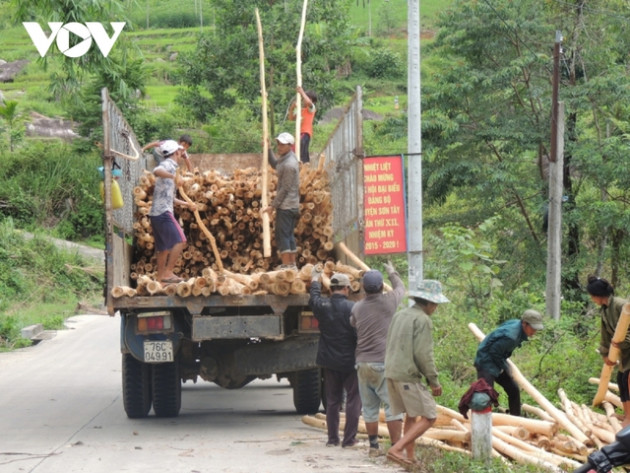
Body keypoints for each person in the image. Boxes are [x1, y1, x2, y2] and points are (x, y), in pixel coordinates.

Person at [384, 279, 449, 467]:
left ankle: (410, 457)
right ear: (428, 302)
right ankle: (397, 448)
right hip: (407, 375)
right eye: (435, 303)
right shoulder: (423, 320)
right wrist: (433, 381)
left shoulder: (400, 315)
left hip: (391, 372)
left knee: (411, 415)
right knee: (430, 415)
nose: (435, 307)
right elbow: (424, 354)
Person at [350, 262, 406, 455]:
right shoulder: (390, 301)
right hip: (383, 362)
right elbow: (401, 288)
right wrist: (392, 272)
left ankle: (373, 447)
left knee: (369, 408)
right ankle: (396, 447)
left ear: (363, 288)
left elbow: (353, 323)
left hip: (362, 363)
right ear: (382, 287)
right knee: (392, 407)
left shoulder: (357, 307)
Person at [309, 268, 361, 448]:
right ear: (347, 288)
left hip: (330, 361)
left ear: (331, 290)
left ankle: (332, 439)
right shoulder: (353, 308)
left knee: (332, 401)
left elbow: (313, 299)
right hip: (350, 361)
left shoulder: (323, 307)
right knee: (354, 400)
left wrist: (315, 280)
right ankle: (349, 440)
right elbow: (358, 335)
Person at [474, 309, 544, 417]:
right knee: (485, 396)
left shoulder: (517, 325)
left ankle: (516, 420)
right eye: (533, 328)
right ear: (524, 324)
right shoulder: (512, 337)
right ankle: (483, 425)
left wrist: (505, 367)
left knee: (513, 389)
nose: (534, 332)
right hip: (486, 361)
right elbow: (494, 352)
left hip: (497, 360)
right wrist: (505, 367)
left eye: (536, 329)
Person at [148, 139, 196, 284]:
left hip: (157, 213)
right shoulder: (168, 165)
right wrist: (173, 176)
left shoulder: (173, 168)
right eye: (180, 151)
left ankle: (161, 277)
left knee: (163, 248)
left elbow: (172, 198)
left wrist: (187, 204)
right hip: (163, 212)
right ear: (175, 152)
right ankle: (168, 272)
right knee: (181, 240)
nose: (182, 152)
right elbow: (156, 171)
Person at [586, 275, 630, 426]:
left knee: (628, 380)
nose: (592, 299)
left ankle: (629, 418)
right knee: (621, 380)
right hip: (624, 352)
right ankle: (627, 414)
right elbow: (605, 334)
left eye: (592, 296)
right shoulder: (604, 310)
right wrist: (606, 353)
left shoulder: (621, 305)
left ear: (597, 295)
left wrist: (621, 342)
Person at [263, 132, 300, 269]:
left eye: (282, 144)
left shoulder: (289, 164)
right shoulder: (285, 158)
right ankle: (292, 265)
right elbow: (274, 164)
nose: (279, 146)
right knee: (288, 234)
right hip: (290, 205)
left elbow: (284, 189)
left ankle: (287, 265)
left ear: (290, 146)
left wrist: (273, 206)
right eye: (278, 143)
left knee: (283, 235)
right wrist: (268, 149)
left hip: (287, 206)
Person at [288, 86, 317, 164]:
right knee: (298, 151)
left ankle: (304, 165)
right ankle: (303, 165)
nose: (304, 100)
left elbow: (309, 103)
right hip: (299, 134)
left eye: (305, 98)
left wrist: (302, 92)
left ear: (311, 99)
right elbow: (291, 118)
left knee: (300, 151)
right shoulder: (301, 110)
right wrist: (292, 108)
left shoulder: (311, 109)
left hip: (305, 133)